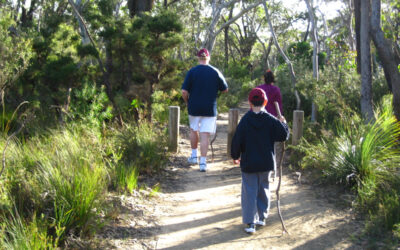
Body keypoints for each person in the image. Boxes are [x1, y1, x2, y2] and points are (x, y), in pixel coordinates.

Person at [231, 88, 289, 234]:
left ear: (250, 102)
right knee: (264, 189)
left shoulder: (245, 120)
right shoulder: (270, 119)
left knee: (250, 191)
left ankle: (251, 223)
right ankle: (261, 217)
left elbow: (237, 140)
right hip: (266, 163)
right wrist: (284, 123)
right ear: (265, 101)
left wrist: (235, 155)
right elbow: (283, 135)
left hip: (249, 163)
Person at [181, 48, 228, 172]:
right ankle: (203, 163)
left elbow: (184, 91)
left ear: (198, 58)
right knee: (205, 134)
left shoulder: (192, 71)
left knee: (193, 129)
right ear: (209, 58)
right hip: (209, 107)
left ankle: (193, 156)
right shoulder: (215, 71)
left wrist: (187, 102)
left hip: (194, 106)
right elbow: (225, 89)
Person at [256, 69, 284, 179]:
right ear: (273, 79)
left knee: (259, 145)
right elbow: (279, 107)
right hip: (272, 121)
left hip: (259, 119)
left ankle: (261, 169)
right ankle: (273, 171)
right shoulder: (276, 90)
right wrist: (280, 118)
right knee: (271, 147)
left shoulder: (259, 89)